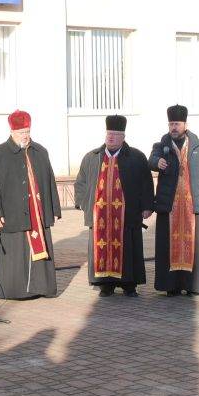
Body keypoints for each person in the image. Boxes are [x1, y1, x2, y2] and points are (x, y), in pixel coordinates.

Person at [0, 110, 60, 300]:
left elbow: (50, 180)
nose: (25, 136)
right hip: (12, 214)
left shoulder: (40, 151)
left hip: (38, 214)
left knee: (39, 253)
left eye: (27, 131)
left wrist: (55, 209)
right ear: (12, 132)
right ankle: (15, 291)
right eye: (21, 132)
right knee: (16, 254)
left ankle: (39, 288)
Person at [75, 115, 154, 297]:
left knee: (128, 249)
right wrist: (82, 203)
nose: (110, 138)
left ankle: (129, 285)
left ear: (123, 137)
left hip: (127, 215)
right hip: (100, 216)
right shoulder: (92, 157)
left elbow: (146, 183)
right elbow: (81, 183)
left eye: (115, 135)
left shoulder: (137, 157)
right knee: (101, 248)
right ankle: (106, 285)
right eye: (108, 134)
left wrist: (147, 206)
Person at [149, 105, 199, 296]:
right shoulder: (162, 145)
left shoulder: (198, 147)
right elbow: (151, 159)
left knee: (194, 247)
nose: (173, 127)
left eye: (177, 124)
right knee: (167, 248)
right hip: (169, 206)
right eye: (171, 123)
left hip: (192, 206)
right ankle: (171, 286)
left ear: (185, 124)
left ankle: (193, 285)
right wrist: (157, 162)